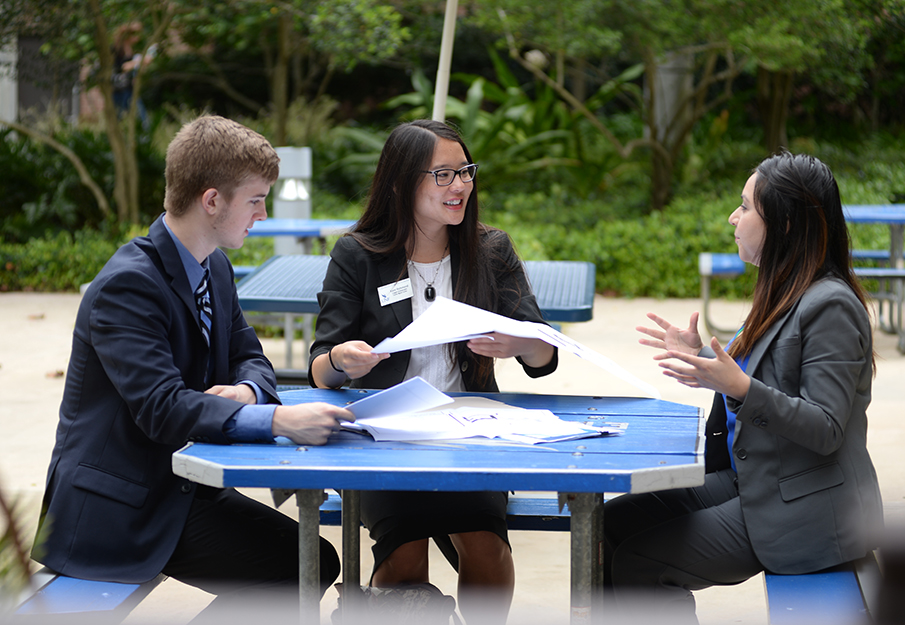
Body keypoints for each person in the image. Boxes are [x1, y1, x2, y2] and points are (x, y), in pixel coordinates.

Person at [33, 115, 353, 622]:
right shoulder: (127, 286)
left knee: (310, 561)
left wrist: (250, 392)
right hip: (119, 510)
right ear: (211, 200)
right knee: (300, 567)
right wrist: (275, 419)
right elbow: (161, 409)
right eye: (254, 199)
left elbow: (251, 354)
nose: (263, 214)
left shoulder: (214, 267)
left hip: (177, 490)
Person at [603, 152, 884, 623]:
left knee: (640, 563)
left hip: (803, 507)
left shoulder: (830, 304)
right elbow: (760, 377)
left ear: (786, 224)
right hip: (752, 482)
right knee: (613, 522)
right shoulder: (782, 290)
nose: (734, 217)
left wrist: (741, 388)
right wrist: (709, 360)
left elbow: (828, 426)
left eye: (746, 207)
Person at [307, 119, 558, 623]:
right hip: (385, 438)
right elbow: (320, 369)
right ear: (401, 183)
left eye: (465, 171)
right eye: (443, 175)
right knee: (406, 559)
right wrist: (342, 360)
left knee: (487, 550)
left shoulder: (490, 249)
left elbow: (544, 357)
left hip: (471, 433)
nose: (461, 185)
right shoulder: (358, 254)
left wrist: (520, 343)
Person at [111, 22, 152, 127]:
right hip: (119, 90)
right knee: (118, 120)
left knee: (142, 119)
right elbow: (123, 67)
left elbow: (133, 69)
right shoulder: (117, 49)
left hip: (129, 88)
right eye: (136, 34)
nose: (138, 37)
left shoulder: (130, 50)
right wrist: (141, 61)